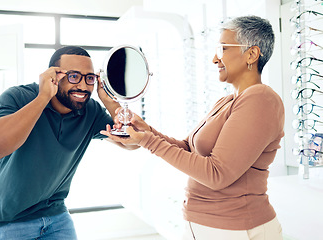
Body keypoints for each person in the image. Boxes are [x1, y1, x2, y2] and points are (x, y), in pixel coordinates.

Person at [102, 15, 284, 240]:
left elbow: (217, 174)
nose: (215, 59)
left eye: (223, 48)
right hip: (207, 226)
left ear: (252, 54)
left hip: (238, 229)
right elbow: (188, 147)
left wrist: (146, 141)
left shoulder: (260, 99)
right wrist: (145, 130)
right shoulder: (227, 101)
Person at [0, 46, 136, 239]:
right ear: (53, 76)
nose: (82, 86)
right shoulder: (18, 97)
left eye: (89, 78)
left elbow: (134, 141)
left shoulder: (90, 111)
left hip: (56, 215)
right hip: (10, 219)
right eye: (73, 76)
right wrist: (43, 97)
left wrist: (109, 101)